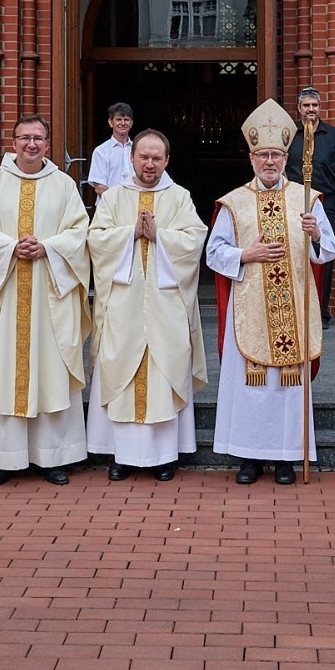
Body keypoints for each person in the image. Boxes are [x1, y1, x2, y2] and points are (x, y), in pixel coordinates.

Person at [0, 114, 92, 486]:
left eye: (38, 138)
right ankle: (4, 457)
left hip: (50, 295)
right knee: (3, 370)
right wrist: (10, 248)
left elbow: (79, 232)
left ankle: (53, 456)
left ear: (47, 145)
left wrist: (47, 247)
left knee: (49, 370)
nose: (31, 144)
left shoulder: (64, 186)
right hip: (4, 295)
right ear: (13, 142)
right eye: (24, 138)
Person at [210, 99, 335, 485]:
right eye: (262, 155)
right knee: (251, 389)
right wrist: (247, 254)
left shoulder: (308, 198)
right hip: (249, 308)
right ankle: (248, 459)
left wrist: (316, 233)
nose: (270, 162)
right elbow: (214, 254)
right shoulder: (233, 203)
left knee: (287, 388)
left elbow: (328, 250)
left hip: (293, 309)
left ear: (286, 158)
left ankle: (286, 459)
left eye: (276, 155)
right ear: (251, 158)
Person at [87, 129, 208, 481]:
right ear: (132, 158)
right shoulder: (113, 198)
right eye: (144, 157)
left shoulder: (180, 197)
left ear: (167, 161)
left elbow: (194, 240)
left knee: (162, 371)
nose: (150, 164)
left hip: (166, 304)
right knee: (121, 368)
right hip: (123, 304)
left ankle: (164, 456)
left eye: (157, 158)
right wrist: (131, 233)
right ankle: (121, 455)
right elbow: (96, 239)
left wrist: (160, 236)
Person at [286, 88, 335, 326]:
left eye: (314, 105)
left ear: (320, 107)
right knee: (294, 251)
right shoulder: (289, 135)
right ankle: (296, 308)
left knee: (325, 255)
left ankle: (321, 313)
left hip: (327, 201)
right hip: (294, 203)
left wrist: (328, 191)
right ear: (299, 108)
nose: (311, 109)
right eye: (306, 105)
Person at [87, 102, 135, 198]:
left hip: (134, 206)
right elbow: (99, 187)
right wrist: (118, 201)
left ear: (131, 123)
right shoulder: (101, 151)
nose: (123, 123)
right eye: (118, 119)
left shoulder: (139, 150)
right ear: (110, 122)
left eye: (126, 120)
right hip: (108, 207)